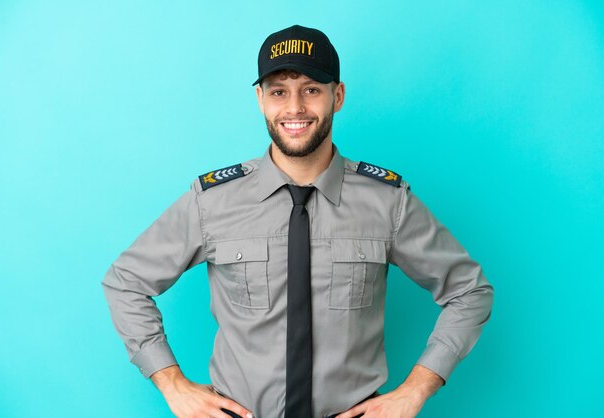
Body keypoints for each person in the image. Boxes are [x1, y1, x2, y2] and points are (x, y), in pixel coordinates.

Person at [101, 24, 494, 418]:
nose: (294, 108)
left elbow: (469, 292)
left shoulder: (387, 201)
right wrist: (172, 384)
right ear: (260, 99)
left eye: (310, 89)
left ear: (337, 96)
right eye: (278, 91)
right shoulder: (214, 202)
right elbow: (126, 282)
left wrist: (415, 390)